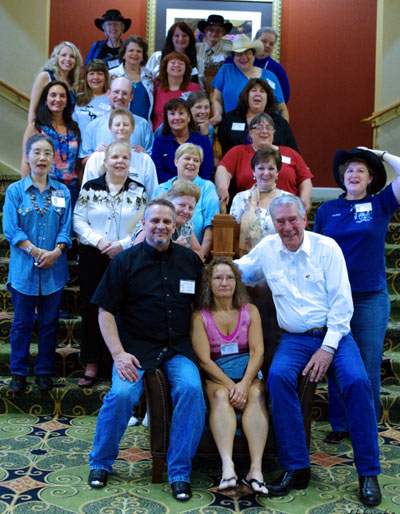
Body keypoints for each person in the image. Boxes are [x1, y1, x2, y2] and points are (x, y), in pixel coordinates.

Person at [235, 195, 382, 507]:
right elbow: (239, 270)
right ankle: (295, 467)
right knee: (277, 378)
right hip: (295, 339)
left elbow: (343, 306)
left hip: (336, 336)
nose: (288, 227)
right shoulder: (267, 249)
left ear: (305, 219)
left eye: (293, 220)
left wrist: (327, 349)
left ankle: (368, 472)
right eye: (281, 222)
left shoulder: (327, 248)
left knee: (357, 383)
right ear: (273, 225)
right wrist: (196, 262)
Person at [87, 199, 205, 503]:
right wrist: (117, 354)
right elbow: (105, 312)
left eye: (167, 222)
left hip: (178, 347)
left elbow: (200, 311)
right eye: (154, 221)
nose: (161, 226)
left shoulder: (190, 261)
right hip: (135, 349)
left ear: (175, 225)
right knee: (122, 395)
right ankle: (101, 462)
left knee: (192, 390)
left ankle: (179, 471)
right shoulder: (123, 262)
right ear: (143, 223)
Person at [314, 147, 400, 444]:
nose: (353, 174)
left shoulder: (381, 204)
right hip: (334, 300)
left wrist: (382, 153)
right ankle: (340, 423)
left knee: (367, 362)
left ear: (371, 178)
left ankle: (365, 423)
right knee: (336, 361)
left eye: (361, 170)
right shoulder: (327, 210)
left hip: (370, 299)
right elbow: (317, 255)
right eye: (349, 170)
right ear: (342, 177)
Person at [191, 257, 268, 495]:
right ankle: (228, 468)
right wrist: (231, 386)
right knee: (221, 397)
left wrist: (244, 384)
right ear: (209, 283)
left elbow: (258, 351)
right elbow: (204, 359)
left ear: (237, 282)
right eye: (218, 278)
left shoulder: (250, 311)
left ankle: (256, 470)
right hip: (217, 376)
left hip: (248, 373)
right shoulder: (199, 316)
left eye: (230, 278)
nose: (224, 283)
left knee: (255, 394)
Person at [73, 140, 147, 388]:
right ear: (105, 161)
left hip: (125, 256)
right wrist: (101, 241)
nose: (119, 161)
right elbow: (79, 220)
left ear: (130, 162)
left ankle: (120, 361)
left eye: (124, 158)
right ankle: (92, 363)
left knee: (123, 308)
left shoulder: (138, 190)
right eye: (114, 157)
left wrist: (122, 245)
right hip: (94, 254)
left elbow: (142, 225)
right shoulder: (90, 188)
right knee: (93, 307)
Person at [3, 134, 71, 393]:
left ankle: (43, 370)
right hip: (24, 270)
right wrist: (34, 251)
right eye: (37, 153)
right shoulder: (15, 191)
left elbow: (66, 227)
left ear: (53, 158)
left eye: (47, 153)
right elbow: (10, 228)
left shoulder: (62, 191)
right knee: (21, 323)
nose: (42, 158)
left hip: (54, 269)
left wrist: (55, 252)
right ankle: (18, 372)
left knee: (49, 323)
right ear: (28, 157)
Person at [215, 113, 313, 212]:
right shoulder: (239, 151)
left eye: (268, 127)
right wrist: (223, 188)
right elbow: (223, 169)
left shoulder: (290, 153)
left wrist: (304, 199)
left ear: (273, 132)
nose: (264, 131)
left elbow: (304, 179)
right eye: (259, 127)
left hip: (288, 211)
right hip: (251, 211)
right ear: (250, 132)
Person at [153, 143, 219, 259]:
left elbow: (211, 225)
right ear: (176, 161)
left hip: (192, 253)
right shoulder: (161, 188)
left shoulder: (207, 187)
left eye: (196, 160)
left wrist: (201, 258)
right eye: (187, 158)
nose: (191, 163)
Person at [22, 81, 81, 207]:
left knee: (69, 226)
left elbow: (78, 163)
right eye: (53, 95)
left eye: (62, 96)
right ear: (46, 99)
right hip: (43, 187)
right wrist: (26, 190)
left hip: (71, 189)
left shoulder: (74, 129)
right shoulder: (36, 127)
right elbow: (25, 159)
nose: (57, 99)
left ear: (67, 101)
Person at [211, 34, 288, 125]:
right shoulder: (226, 70)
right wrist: (217, 115)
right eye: (239, 54)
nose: (243, 57)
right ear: (233, 56)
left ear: (254, 55)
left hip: (266, 129)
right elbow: (216, 98)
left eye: (248, 53)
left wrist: (283, 129)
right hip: (233, 127)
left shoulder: (270, 76)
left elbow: (282, 108)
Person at [82, 108, 158, 198]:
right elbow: (85, 195)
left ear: (133, 128)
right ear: (110, 128)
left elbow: (153, 195)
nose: (121, 128)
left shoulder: (144, 160)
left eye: (126, 125)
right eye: (117, 125)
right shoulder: (96, 158)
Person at [230, 147, 292, 255]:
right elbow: (233, 236)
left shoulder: (289, 200)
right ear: (254, 171)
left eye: (271, 168)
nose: (266, 173)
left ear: (278, 172)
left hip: (281, 261)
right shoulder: (240, 198)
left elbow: (294, 236)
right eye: (261, 168)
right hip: (247, 261)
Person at [218, 78, 298, 155]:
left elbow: (293, 152)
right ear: (246, 95)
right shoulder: (230, 119)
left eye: (262, 91)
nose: (258, 93)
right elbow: (221, 146)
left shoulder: (280, 123)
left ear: (268, 98)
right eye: (253, 90)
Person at [79, 77, 154, 159]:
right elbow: (83, 162)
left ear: (131, 97)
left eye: (125, 93)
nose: (120, 97)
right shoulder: (93, 126)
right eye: (116, 92)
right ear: (108, 94)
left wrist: (145, 155)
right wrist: (95, 156)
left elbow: (152, 159)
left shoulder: (143, 125)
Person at [135, 180, 204, 261]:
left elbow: (199, 255)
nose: (186, 211)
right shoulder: (152, 223)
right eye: (182, 205)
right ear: (168, 203)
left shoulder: (186, 226)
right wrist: (172, 249)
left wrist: (184, 252)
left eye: (191, 208)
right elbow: (136, 256)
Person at [152, 98, 214, 183]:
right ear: (167, 118)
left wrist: (189, 187)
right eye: (172, 114)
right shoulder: (159, 142)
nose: (176, 118)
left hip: (197, 190)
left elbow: (206, 172)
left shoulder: (203, 141)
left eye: (181, 113)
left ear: (189, 117)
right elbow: (157, 171)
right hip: (168, 189)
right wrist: (176, 184)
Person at [28, 42, 83, 125]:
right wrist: (31, 131)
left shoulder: (73, 84)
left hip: (64, 132)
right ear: (57, 57)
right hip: (44, 128)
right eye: (64, 55)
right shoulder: (45, 76)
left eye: (72, 56)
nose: (68, 59)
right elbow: (32, 109)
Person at [109, 36, 155, 122]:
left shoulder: (150, 75)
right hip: (119, 125)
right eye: (131, 50)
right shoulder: (111, 75)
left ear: (143, 56)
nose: (135, 54)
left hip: (144, 126)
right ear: (123, 54)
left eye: (139, 51)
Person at [152, 52, 201, 131]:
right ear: (165, 67)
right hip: (161, 135)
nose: (177, 65)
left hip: (188, 134)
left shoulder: (194, 88)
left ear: (186, 69)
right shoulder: (155, 87)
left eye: (181, 63)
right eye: (173, 62)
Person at [253, 27, 290, 104]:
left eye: (271, 43)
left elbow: (284, 97)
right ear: (255, 40)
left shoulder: (278, 69)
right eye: (264, 41)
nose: (267, 45)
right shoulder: (242, 61)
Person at [73, 59, 111, 135]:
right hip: (80, 145)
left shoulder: (112, 99)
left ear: (105, 77)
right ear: (86, 77)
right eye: (91, 73)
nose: (95, 77)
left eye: (100, 74)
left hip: (104, 145)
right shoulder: (77, 98)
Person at [195, 15, 232, 90]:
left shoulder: (229, 51)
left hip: (220, 92)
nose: (214, 33)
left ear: (223, 33)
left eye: (218, 31)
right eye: (211, 30)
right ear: (205, 31)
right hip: (198, 92)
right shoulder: (196, 49)